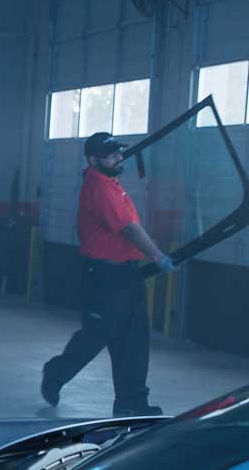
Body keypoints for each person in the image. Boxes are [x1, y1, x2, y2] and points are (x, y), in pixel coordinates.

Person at [41, 131, 175, 417]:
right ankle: (55, 373)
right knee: (96, 336)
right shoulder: (98, 187)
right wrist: (157, 255)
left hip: (128, 274)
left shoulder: (112, 184)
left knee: (135, 341)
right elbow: (128, 228)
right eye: (111, 154)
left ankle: (132, 401)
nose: (118, 157)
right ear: (93, 159)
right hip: (104, 277)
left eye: (119, 152)